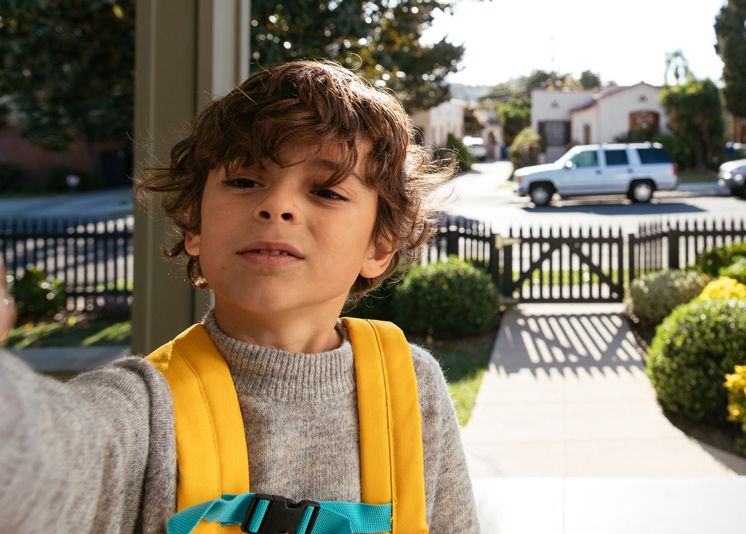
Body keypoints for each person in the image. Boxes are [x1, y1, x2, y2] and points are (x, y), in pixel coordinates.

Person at [0, 60, 481, 533]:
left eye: (328, 191)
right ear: (195, 224)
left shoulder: (412, 387)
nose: (276, 205)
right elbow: (31, 458)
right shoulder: (144, 410)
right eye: (245, 181)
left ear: (378, 247)